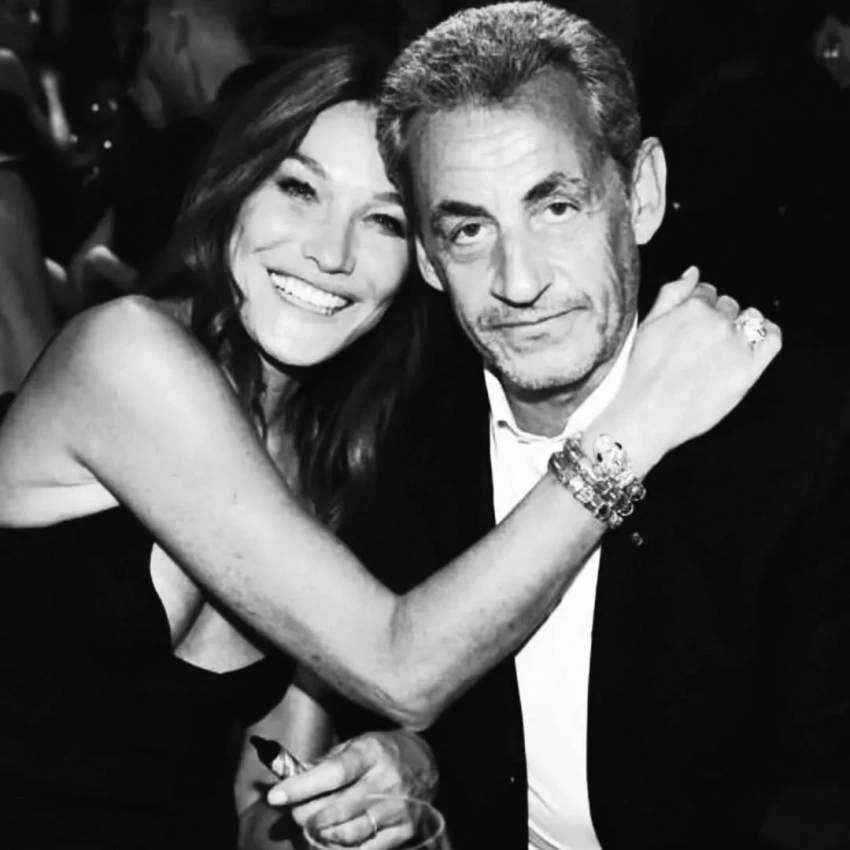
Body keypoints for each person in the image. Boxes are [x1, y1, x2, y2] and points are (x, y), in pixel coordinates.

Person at [0, 37, 777, 850]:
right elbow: (398, 667)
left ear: (423, 261)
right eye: (299, 189)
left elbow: (262, 798)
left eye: (382, 221)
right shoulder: (125, 356)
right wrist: (636, 425)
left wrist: (378, 790)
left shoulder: (345, 452)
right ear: (236, 187)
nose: (330, 254)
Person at [267, 4, 850, 849]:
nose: (519, 281)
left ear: (640, 194)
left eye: (557, 208)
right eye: (469, 229)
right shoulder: (393, 438)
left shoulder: (804, 437)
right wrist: (418, 763)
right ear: (428, 257)